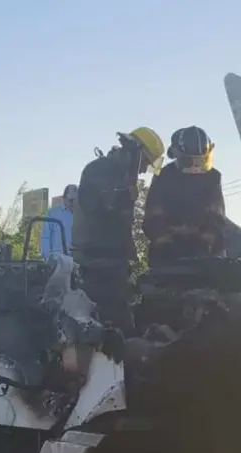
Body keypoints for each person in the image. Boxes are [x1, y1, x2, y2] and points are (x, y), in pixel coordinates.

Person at [70, 127, 165, 331]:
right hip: (96, 261)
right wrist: (123, 197)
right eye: (145, 163)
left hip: (114, 260)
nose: (143, 170)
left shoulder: (123, 175)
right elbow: (95, 208)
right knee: (111, 322)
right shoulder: (99, 170)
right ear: (135, 151)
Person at [142, 126, 226, 267]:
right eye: (190, 160)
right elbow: (153, 216)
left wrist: (207, 239)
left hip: (206, 253)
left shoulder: (213, 178)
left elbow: (217, 216)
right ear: (177, 154)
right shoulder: (164, 176)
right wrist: (164, 241)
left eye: (199, 160)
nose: (195, 166)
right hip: (167, 254)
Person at [39, 184, 78, 259]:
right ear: (64, 198)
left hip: (77, 260)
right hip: (58, 259)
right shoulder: (52, 214)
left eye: (75, 200)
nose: (72, 203)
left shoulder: (81, 215)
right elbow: (46, 236)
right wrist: (48, 258)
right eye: (71, 200)